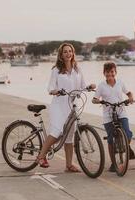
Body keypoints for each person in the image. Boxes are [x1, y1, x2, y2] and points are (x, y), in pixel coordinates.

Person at [36, 43, 95, 172]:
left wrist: (89, 87)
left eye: (70, 51)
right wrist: (55, 91)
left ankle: (69, 165)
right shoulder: (56, 69)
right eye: (65, 52)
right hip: (58, 105)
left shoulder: (77, 70)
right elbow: (50, 87)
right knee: (56, 132)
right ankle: (41, 156)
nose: (68, 54)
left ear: (73, 53)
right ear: (61, 55)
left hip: (71, 105)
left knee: (69, 137)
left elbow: (82, 86)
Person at [92, 62, 135, 172]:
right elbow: (94, 99)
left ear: (115, 72)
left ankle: (126, 145)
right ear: (104, 73)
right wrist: (100, 101)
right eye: (107, 72)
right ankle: (113, 163)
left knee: (128, 134)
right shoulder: (101, 85)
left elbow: (129, 93)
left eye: (112, 71)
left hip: (121, 112)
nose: (110, 74)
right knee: (111, 139)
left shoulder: (120, 83)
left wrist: (130, 98)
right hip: (108, 115)